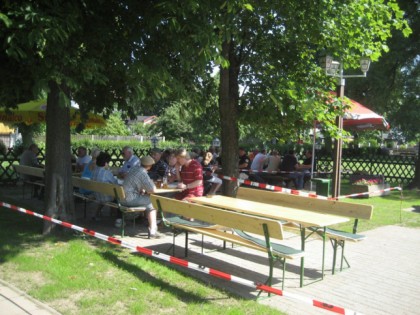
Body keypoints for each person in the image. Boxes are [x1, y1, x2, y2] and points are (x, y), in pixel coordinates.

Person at [121, 155, 161, 238]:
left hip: (122, 198)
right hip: (130, 199)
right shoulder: (143, 173)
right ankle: (153, 229)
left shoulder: (134, 169)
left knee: (148, 200)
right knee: (153, 202)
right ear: (149, 166)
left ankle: (148, 221)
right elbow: (152, 189)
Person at [91, 152, 118, 220]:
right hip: (105, 196)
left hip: (96, 194)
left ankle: (96, 214)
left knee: (105, 193)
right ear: (106, 163)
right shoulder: (106, 172)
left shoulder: (94, 170)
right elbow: (115, 183)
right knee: (116, 195)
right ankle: (116, 216)